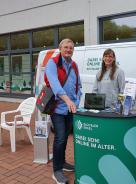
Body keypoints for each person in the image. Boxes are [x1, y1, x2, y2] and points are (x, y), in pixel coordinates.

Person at [45, 38, 82, 184]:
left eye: (71, 48)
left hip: (70, 109)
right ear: (60, 48)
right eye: (66, 47)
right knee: (60, 137)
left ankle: (63, 162)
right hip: (58, 109)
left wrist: (76, 102)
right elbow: (55, 86)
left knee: (66, 136)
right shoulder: (52, 63)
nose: (68, 50)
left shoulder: (74, 65)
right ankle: (56, 170)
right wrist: (68, 101)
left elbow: (78, 87)